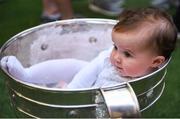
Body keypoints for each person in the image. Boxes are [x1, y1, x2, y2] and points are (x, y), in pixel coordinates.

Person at [0, 8, 177, 89]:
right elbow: (86, 75)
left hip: (97, 104)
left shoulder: (147, 80)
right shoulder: (108, 59)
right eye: (116, 47)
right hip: (84, 84)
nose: (116, 56)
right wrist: (71, 91)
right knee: (74, 65)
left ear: (155, 62)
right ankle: (28, 75)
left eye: (128, 54)